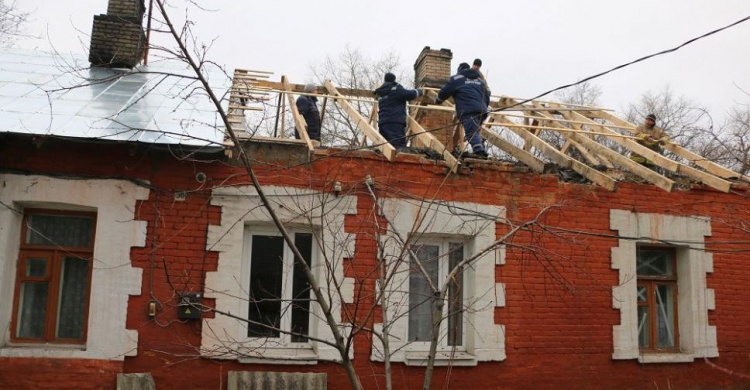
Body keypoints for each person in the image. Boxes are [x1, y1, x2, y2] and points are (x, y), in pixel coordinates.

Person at [435, 63, 490, 157]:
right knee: (475, 132)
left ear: (459, 70)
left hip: (468, 110)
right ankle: (481, 149)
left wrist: (438, 99)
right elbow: (487, 96)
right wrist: (484, 108)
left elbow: (445, 91)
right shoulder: (480, 81)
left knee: (471, 133)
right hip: (482, 110)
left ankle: (480, 152)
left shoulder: (457, 79)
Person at [374, 72, 423, 149]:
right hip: (395, 124)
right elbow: (410, 94)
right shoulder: (396, 89)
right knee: (398, 149)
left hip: (383, 124)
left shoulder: (380, 92)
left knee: (385, 149)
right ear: (394, 80)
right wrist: (420, 91)